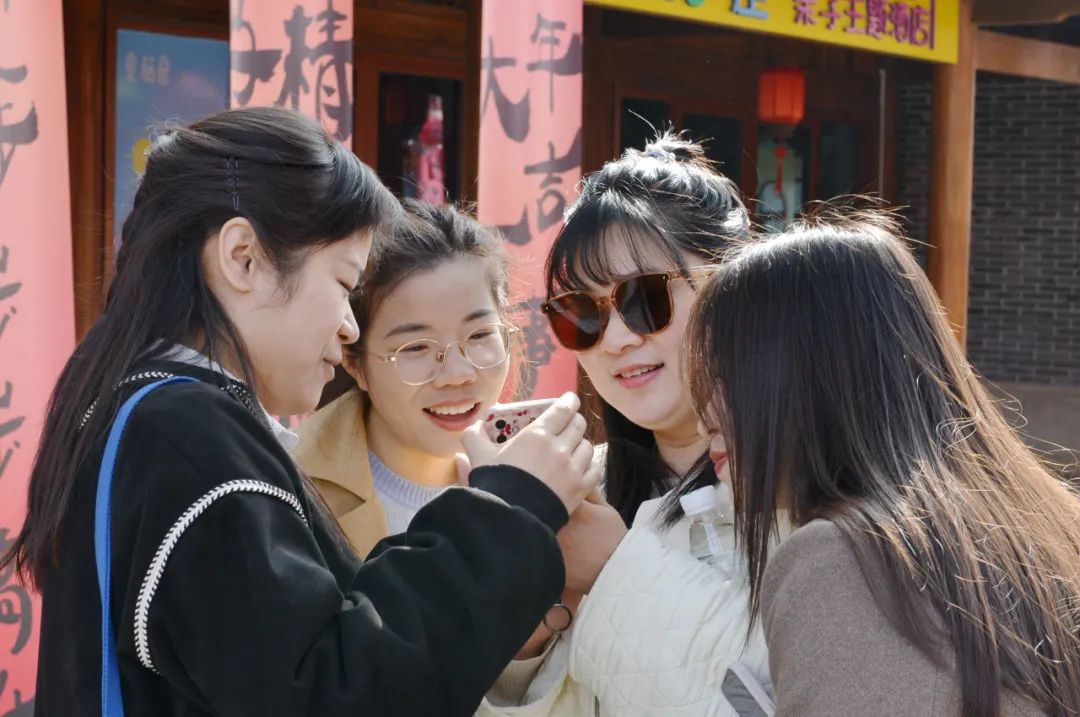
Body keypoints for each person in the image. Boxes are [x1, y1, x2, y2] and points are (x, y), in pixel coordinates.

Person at [0, 107, 600, 716]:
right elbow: (333, 691)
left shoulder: (142, 412)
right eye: (343, 284)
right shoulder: (187, 437)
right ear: (242, 257)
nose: (348, 328)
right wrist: (513, 507)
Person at [686, 205, 1080, 716]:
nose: (704, 418)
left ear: (811, 378)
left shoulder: (839, 560)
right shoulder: (1043, 525)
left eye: (726, 376)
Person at [477, 133, 770, 716]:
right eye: (580, 314)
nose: (615, 339)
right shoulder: (582, 491)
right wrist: (528, 641)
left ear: (733, 287)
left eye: (644, 298)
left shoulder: (809, 490)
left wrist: (612, 569)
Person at [294, 200, 584, 709]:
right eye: (415, 349)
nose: (457, 374)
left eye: (480, 336)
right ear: (356, 363)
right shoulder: (295, 497)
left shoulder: (562, 480)